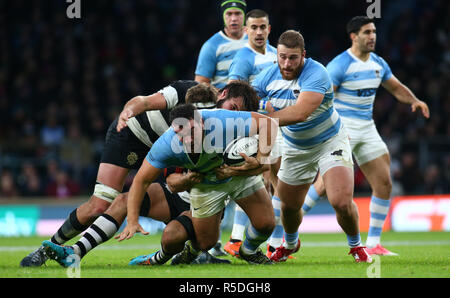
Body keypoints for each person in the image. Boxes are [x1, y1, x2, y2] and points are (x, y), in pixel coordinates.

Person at [19, 81, 249, 267]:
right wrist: (129, 110)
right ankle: (46, 249)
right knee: (100, 204)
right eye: (233, 109)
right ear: (221, 94)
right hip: (132, 137)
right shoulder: (183, 92)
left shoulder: (222, 126)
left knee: (184, 190)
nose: (230, 117)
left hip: (164, 151)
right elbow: (144, 101)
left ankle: (197, 249)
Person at [301, 16, 430, 256]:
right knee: (323, 184)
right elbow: (322, 99)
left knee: (384, 182)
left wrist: (414, 100)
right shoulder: (340, 65)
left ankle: (373, 243)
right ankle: (290, 226)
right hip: (341, 127)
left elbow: (395, 87)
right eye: (366, 32)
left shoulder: (378, 64)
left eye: (374, 32)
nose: (372, 36)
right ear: (353, 36)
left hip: (367, 127)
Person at [252, 30, 372, 263]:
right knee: (288, 206)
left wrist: (263, 115)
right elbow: (246, 101)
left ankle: (356, 246)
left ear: (303, 55)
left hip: (330, 141)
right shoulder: (267, 77)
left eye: (293, 58)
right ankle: (289, 244)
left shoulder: (317, 73)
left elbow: (300, 113)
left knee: (341, 201)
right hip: (296, 147)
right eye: (282, 57)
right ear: (276, 54)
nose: (287, 63)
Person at [117, 103, 278, 265]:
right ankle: (190, 251)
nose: (188, 139)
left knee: (266, 224)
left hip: (238, 173)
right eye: (181, 134)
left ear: (202, 123)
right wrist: (132, 220)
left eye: (193, 130)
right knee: (206, 243)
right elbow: (141, 181)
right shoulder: (167, 145)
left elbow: (268, 123)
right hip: (207, 184)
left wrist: (259, 159)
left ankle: (249, 251)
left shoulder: (223, 121)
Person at [41, 166, 231, 267]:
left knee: (172, 236)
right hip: (176, 194)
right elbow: (151, 179)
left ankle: (167, 257)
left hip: (206, 205)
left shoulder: (225, 136)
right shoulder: (174, 137)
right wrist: (132, 219)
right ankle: (76, 251)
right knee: (124, 199)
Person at [223, 9, 283, 258]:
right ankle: (243, 240)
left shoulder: (275, 55)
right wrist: (261, 109)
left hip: (273, 125)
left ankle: (238, 239)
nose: (259, 32)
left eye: (263, 27)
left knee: (267, 183)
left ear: (269, 29)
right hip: (253, 128)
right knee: (261, 180)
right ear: (246, 31)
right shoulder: (243, 58)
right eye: (254, 28)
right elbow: (234, 98)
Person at [194, 0, 248, 89]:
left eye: (238, 13)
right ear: (223, 16)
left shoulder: (255, 39)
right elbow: (200, 84)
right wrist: (224, 96)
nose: (233, 18)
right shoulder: (211, 46)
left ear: (244, 16)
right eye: (229, 14)